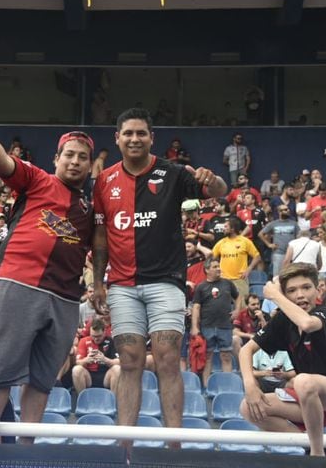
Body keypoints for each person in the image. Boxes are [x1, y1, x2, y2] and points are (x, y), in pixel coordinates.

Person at [0, 99, 94, 444]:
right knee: (0, 369)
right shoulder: (37, 179)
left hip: (65, 298)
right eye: (69, 154)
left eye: (82, 157)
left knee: (42, 379)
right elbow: (3, 163)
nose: (75, 161)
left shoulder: (90, 209)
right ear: (56, 158)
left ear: (90, 165)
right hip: (19, 284)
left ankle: (26, 451)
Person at [92, 107, 226, 448]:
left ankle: (173, 447)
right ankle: (125, 446)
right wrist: (97, 283)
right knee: (129, 361)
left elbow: (219, 190)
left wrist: (212, 180)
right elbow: (101, 237)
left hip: (166, 281)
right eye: (128, 133)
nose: (134, 138)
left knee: (167, 358)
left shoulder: (173, 172)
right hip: (122, 286)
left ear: (152, 138)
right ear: (117, 138)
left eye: (141, 133)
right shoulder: (104, 181)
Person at [239, 263, 326, 457]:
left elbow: (306, 323)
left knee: (303, 381)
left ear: (318, 290)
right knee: (249, 407)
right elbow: (245, 350)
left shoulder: (325, 312)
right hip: (310, 401)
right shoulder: (283, 320)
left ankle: (317, 456)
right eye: (292, 290)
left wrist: (276, 296)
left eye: (306, 287)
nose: (300, 295)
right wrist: (250, 386)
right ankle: (318, 449)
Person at [190, 258, 238, 386]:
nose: (218, 269)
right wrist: (194, 327)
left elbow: (238, 297)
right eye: (215, 267)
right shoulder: (200, 287)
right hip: (207, 326)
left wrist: (237, 310)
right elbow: (196, 307)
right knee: (207, 357)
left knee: (226, 356)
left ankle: (227, 386)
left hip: (225, 326)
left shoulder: (228, 283)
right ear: (207, 270)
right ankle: (206, 387)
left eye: (218, 266)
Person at [212, 217, 260, 312]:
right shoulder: (221, 242)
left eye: (226, 227)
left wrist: (249, 269)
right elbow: (212, 257)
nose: (223, 229)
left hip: (240, 279)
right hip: (223, 279)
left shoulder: (245, 241)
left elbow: (257, 257)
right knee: (222, 306)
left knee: (242, 307)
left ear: (232, 228)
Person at [72, 320, 121, 394]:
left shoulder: (111, 341)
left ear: (104, 332)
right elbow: (77, 362)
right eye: (93, 336)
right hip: (89, 376)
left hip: (106, 375)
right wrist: (86, 360)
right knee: (76, 370)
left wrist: (105, 360)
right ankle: (82, 398)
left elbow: (119, 362)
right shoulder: (84, 341)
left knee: (117, 369)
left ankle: (113, 399)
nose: (96, 339)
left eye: (99, 336)